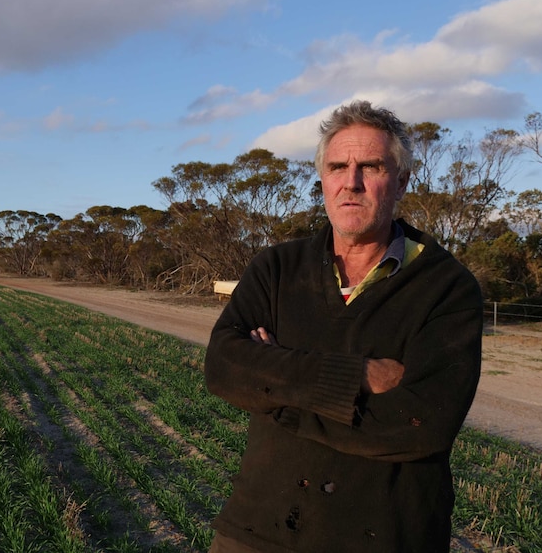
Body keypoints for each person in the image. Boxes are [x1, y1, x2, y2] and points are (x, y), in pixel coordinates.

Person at [204, 100, 483, 553]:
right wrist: (355, 378)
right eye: (337, 166)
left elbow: (419, 426)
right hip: (255, 530)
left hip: (384, 537)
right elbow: (223, 367)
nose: (350, 182)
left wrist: (276, 394)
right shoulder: (277, 268)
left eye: (370, 166)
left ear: (401, 181)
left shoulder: (446, 288)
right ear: (322, 180)